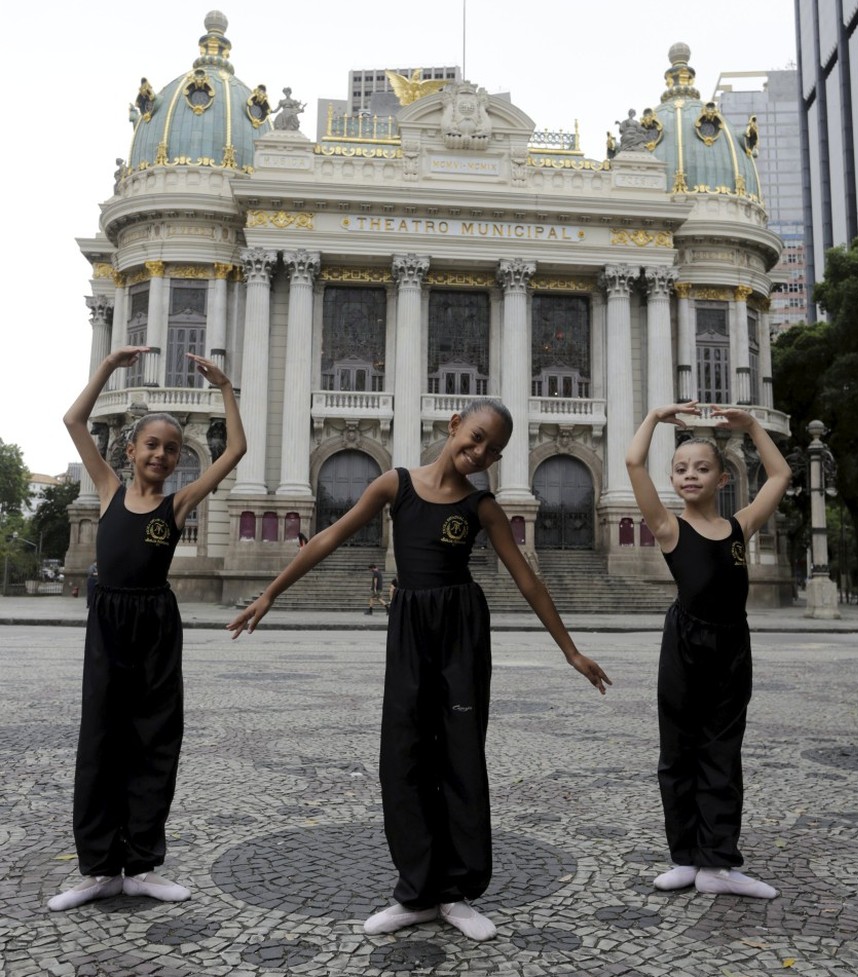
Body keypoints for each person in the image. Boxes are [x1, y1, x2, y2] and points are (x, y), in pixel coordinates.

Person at [227, 399, 611, 941]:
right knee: (403, 755)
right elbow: (328, 537)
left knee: (459, 755)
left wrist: (570, 651)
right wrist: (269, 594)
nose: (478, 452)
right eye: (474, 437)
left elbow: (527, 579)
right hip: (409, 626)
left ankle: (455, 893)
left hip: (461, 631)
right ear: (454, 426)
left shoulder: (482, 506)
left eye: (491, 450)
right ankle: (417, 890)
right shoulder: (394, 484)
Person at [48, 346, 246, 911]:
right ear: (130, 450)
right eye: (152, 445)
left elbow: (236, 449)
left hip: (156, 624)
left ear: (179, 459)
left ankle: (141, 864)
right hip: (108, 623)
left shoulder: (178, 505)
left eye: (171, 448)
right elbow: (73, 422)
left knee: (155, 740)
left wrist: (226, 389)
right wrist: (107, 369)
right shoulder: (108, 490)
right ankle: (97, 869)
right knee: (101, 741)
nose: (161, 454)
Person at [626, 402, 790, 899]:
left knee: (722, 751)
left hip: (732, 644)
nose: (689, 475)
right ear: (673, 481)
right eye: (680, 470)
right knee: (678, 752)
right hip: (684, 643)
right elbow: (634, 464)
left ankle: (717, 865)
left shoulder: (740, 527)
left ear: (723, 479)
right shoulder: (670, 527)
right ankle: (685, 857)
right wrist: (654, 417)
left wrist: (751, 426)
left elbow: (779, 474)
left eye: (701, 468)